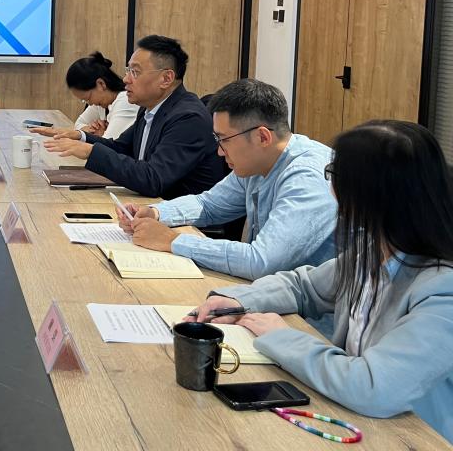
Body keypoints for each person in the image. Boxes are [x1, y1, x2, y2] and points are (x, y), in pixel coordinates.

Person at [189, 121, 453, 443]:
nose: (331, 190)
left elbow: (374, 387)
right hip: (357, 419)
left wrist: (281, 336)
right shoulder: (374, 251)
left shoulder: (442, 290)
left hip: (412, 438)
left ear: (372, 193)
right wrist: (240, 301)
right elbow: (304, 287)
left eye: (334, 175)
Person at [118, 79, 336, 279]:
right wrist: (155, 212)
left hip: (310, 308)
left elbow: (262, 261)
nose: (220, 152)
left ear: (262, 137)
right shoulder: (259, 162)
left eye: (224, 140)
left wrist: (173, 241)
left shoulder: (308, 177)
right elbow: (209, 204)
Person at [43, 35, 226, 199]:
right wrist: (80, 137)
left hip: (185, 220)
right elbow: (121, 148)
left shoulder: (188, 118)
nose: (126, 79)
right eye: (128, 70)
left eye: (135, 72)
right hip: (151, 208)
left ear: (166, 78)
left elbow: (153, 179)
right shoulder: (150, 108)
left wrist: (90, 152)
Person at [30, 51, 138, 141]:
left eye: (88, 98)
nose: (89, 103)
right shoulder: (103, 103)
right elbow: (79, 124)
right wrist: (92, 130)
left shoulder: (126, 100)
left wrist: (101, 135)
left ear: (101, 84)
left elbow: (109, 146)